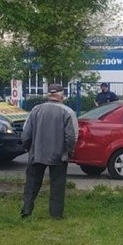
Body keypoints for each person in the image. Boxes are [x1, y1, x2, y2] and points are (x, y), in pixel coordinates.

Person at [21, 83, 77, 220]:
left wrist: (30, 148)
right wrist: (69, 151)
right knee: (57, 185)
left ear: (48, 95)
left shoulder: (35, 110)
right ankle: (56, 215)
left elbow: (26, 134)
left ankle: (26, 209)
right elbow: (71, 136)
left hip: (37, 153)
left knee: (32, 183)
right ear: (62, 95)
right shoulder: (68, 112)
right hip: (58, 155)